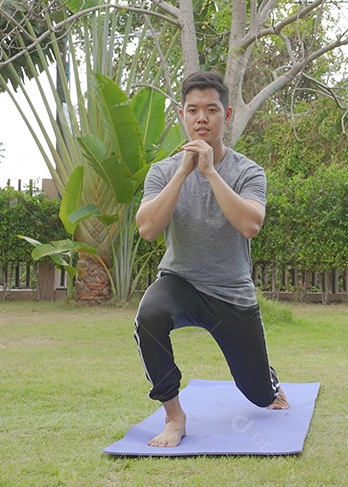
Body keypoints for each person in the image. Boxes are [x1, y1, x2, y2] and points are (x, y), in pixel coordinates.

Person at [134, 71, 288, 448]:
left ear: (227, 114)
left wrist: (209, 172)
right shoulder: (163, 172)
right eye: (193, 110)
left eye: (211, 110)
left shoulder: (247, 172)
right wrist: (183, 173)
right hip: (180, 281)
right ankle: (174, 416)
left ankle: (266, 382)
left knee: (259, 395)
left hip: (231, 291)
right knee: (149, 316)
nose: (202, 118)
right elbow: (148, 229)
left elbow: (250, 225)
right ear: (182, 116)